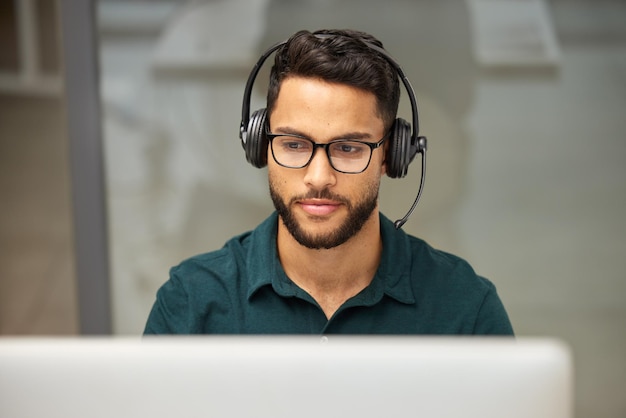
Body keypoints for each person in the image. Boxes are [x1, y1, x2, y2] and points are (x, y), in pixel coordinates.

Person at [144, 29, 514, 335]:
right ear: (259, 146)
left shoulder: (468, 308)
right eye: (293, 144)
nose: (318, 177)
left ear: (391, 154)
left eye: (349, 148)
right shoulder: (190, 301)